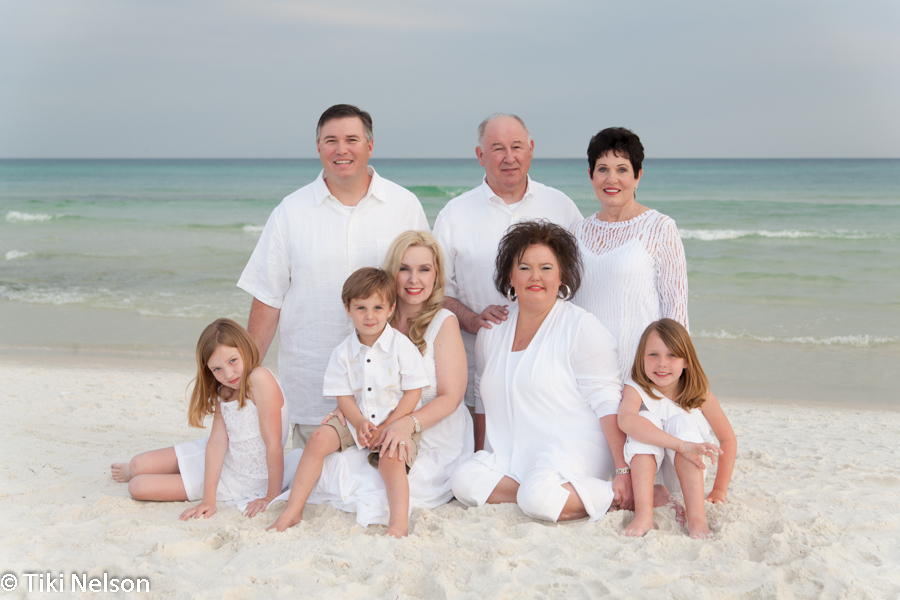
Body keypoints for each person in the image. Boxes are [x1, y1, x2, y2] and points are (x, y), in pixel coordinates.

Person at [237, 104, 429, 450]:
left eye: (352, 139)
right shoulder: (290, 212)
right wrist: (244, 379)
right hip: (314, 395)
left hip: (390, 398)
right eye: (331, 141)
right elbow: (268, 298)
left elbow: (422, 292)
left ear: (370, 146)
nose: (341, 150)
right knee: (318, 484)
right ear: (318, 148)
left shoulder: (404, 205)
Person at [270, 231, 472, 530]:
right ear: (393, 274)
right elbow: (359, 377)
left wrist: (406, 423)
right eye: (404, 269)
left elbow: (451, 397)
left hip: (429, 429)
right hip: (373, 421)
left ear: (436, 275)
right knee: (328, 464)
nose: (414, 279)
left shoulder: (444, 322)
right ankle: (292, 511)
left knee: (388, 468)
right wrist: (347, 409)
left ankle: (398, 524)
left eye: (424, 269)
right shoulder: (375, 319)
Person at [450, 221, 632, 522]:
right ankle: (534, 491)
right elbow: (482, 400)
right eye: (524, 267)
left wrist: (623, 469)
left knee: (540, 499)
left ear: (561, 276)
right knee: (463, 480)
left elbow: (608, 401)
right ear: (510, 275)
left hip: (571, 449)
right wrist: (481, 455)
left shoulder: (580, 326)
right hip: (513, 454)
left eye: (546, 268)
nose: (535, 277)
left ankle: (622, 494)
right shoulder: (493, 331)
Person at [433, 113, 583, 424]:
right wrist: (473, 320)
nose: (509, 158)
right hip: (477, 373)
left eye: (517, 147)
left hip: (550, 374)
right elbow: (436, 294)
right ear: (480, 156)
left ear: (531, 149)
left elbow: (579, 282)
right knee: (482, 462)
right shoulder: (454, 215)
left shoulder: (561, 207)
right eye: (498, 148)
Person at [269, 268, 429, 537]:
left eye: (378, 307)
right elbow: (342, 394)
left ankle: (398, 523)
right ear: (348, 309)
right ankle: (293, 510)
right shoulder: (343, 351)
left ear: (391, 309)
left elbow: (413, 393)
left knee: (392, 457)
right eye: (361, 308)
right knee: (319, 438)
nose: (370, 316)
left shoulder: (402, 347)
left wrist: (390, 425)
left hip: (395, 420)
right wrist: (357, 421)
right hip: (357, 417)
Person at [110, 319, 289, 519]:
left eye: (232, 361)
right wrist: (208, 499)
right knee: (136, 464)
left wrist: (272, 495)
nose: (228, 374)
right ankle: (132, 470)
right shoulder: (225, 391)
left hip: (239, 479)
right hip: (219, 457)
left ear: (245, 349)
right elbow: (217, 443)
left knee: (137, 486)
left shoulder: (260, 378)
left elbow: (273, 443)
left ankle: (157, 475)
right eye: (217, 369)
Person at [571, 127, 689, 381]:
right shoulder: (575, 232)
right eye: (603, 169)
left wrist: (673, 375)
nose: (611, 179)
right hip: (583, 372)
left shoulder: (660, 227)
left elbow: (675, 309)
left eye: (622, 169)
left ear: (637, 176)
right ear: (591, 175)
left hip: (638, 373)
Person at [618, 319, 737, 538]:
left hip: (687, 476)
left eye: (672, 355)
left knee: (681, 422)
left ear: (686, 362)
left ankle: (697, 520)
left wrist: (719, 488)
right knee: (643, 420)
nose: (661, 363)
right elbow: (625, 420)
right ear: (641, 359)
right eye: (653, 355)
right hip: (646, 478)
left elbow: (727, 439)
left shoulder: (699, 394)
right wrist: (681, 445)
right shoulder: (635, 388)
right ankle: (644, 515)